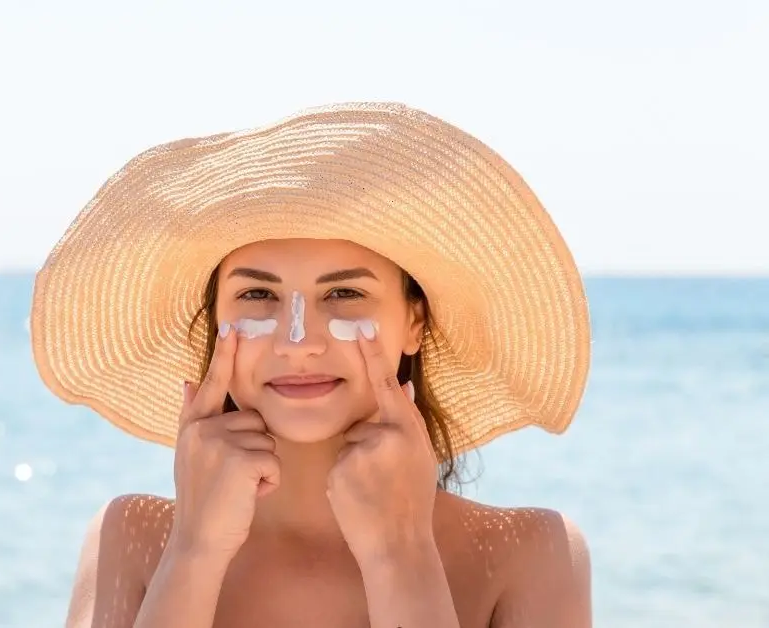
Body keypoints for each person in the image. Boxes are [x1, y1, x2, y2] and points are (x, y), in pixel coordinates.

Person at [30, 102, 593, 627]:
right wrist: (195, 549)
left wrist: (400, 555)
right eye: (256, 296)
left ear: (415, 323)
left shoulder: (529, 554)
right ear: (213, 324)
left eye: (344, 294)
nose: (297, 341)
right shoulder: (130, 539)